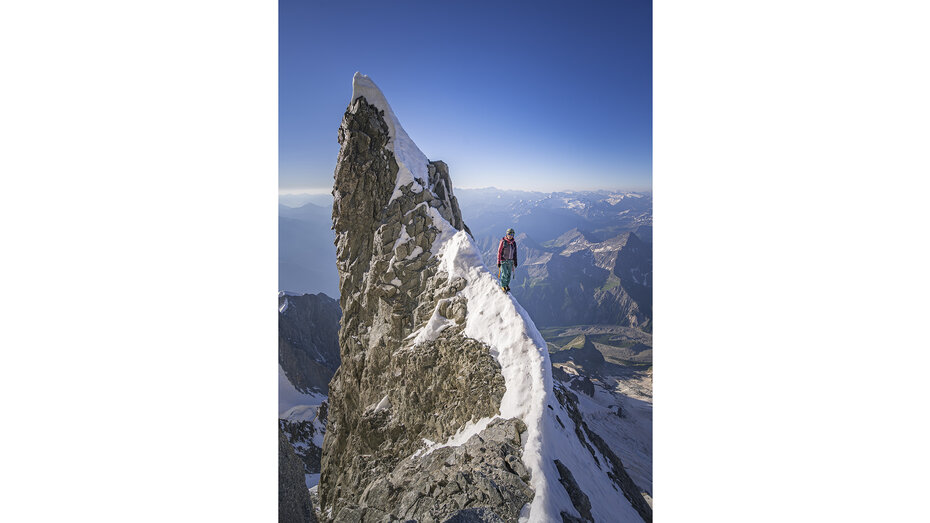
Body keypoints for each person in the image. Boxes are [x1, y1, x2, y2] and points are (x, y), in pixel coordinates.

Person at [497, 228, 518, 293]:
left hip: (510, 261)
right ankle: (503, 285)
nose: (510, 235)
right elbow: (499, 252)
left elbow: (514, 253)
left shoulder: (513, 243)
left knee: (509, 274)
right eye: (509, 234)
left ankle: (506, 285)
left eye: (512, 234)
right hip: (503, 261)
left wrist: (515, 261)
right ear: (507, 234)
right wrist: (498, 261)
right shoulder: (503, 242)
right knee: (504, 273)